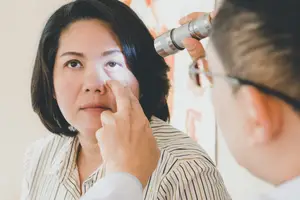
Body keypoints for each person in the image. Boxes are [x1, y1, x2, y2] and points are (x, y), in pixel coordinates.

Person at [83, 0, 300, 199]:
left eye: (211, 76)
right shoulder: (53, 152)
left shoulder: (186, 170)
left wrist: (122, 180)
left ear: (255, 114)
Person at [21, 0, 231, 199]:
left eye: (112, 63)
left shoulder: (187, 169)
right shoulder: (39, 157)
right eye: (74, 63)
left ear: (141, 78)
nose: (93, 83)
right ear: (51, 83)